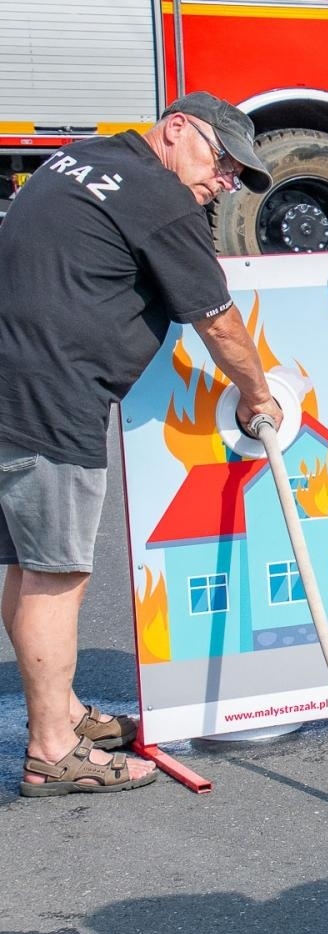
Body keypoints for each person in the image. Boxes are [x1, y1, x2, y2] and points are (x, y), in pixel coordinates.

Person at [0, 92, 283, 796]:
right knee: (57, 572)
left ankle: (63, 712)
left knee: (28, 563)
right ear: (176, 128)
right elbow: (218, 321)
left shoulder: (82, 159)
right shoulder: (160, 197)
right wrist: (257, 395)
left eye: (235, 176)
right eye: (221, 162)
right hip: (50, 394)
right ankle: (52, 750)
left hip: (13, 379)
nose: (224, 182)